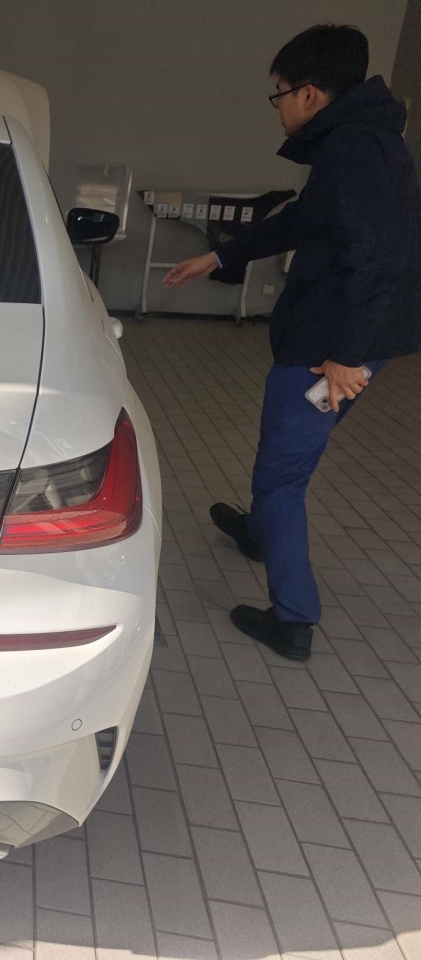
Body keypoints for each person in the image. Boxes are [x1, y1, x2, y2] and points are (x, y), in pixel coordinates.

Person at [163, 24, 421, 661]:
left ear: (309, 93)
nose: (277, 107)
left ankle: (293, 620)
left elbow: (380, 259)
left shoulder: (356, 148)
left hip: (329, 347)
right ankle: (258, 533)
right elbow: (308, 219)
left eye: (278, 94)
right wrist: (221, 256)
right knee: (283, 457)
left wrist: (347, 356)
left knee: (282, 475)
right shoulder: (361, 139)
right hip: (343, 335)